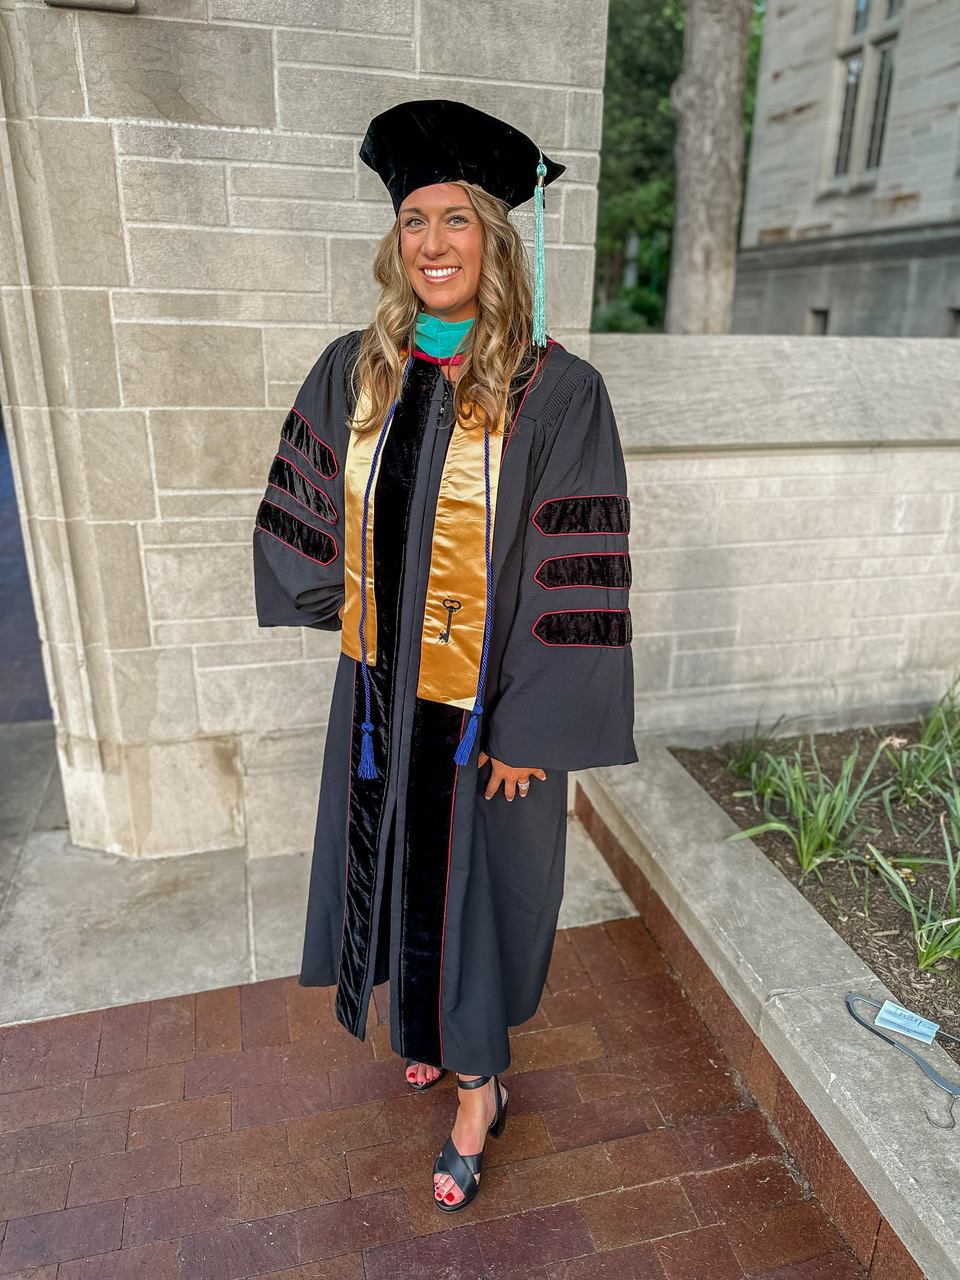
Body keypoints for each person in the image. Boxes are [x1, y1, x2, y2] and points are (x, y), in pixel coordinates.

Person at [252, 99, 637, 1211]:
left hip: (491, 717)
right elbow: (306, 504)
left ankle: (480, 1088)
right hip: (381, 697)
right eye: (415, 219)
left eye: (457, 219)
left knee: (473, 896)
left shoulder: (556, 391)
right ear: (394, 239)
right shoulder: (356, 369)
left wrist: (533, 727)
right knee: (400, 879)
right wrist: (355, 609)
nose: (432, 243)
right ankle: (427, 1025)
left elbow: (579, 569)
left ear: (497, 241)